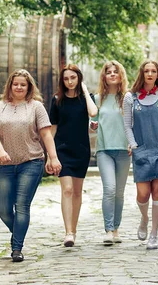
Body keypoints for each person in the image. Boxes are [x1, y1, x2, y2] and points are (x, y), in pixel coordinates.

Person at [0, 69, 61, 262]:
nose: (19, 87)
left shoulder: (36, 107)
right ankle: (19, 231)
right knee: (3, 208)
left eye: (23, 84)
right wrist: (0, 151)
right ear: (10, 86)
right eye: (15, 84)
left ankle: (17, 248)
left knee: (22, 206)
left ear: (29, 87)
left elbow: (46, 134)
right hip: (6, 164)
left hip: (31, 161)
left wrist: (53, 158)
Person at [123, 60, 158, 250]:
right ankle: (144, 219)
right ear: (142, 74)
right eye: (146, 71)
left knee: (157, 192)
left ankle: (154, 233)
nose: (150, 74)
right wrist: (134, 145)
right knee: (143, 194)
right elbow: (127, 124)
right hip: (141, 149)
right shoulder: (131, 97)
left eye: (153, 71)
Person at [50, 64, 98, 247]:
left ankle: (74, 230)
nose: (69, 81)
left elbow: (93, 113)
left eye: (73, 78)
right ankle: (68, 232)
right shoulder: (56, 100)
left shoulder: (87, 99)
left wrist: (84, 90)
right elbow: (52, 129)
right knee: (67, 189)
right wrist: (50, 155)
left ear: (79, 78)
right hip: (62, 149)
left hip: (81, 149)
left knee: (77, 192)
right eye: (66, 78)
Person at [90, 61, 130, 245]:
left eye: (116, 72)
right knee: (110, 189)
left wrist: (133, 143)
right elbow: (92, 121)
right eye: (109, 72)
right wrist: (92, 124)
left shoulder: (128, 98)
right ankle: (108, 230)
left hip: (124, 150)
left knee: (119, 193)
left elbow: (133, 123)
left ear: (121, 75)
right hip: (104, 149)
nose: (112, 74)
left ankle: (116, 229)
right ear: (104, 77)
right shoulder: (98, 99)